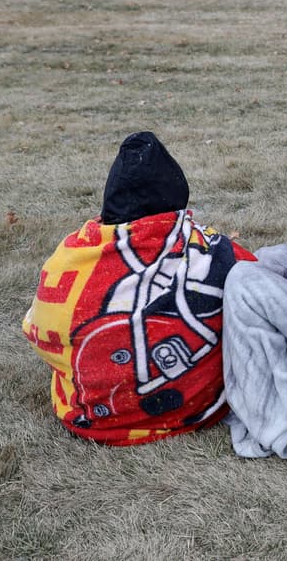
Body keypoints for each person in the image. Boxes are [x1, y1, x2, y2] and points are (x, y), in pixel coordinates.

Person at [24, 132, 258, 446]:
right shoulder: (208, 252)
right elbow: (257, 281)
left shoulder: (69, 256)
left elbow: (38, 328)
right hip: (186, 412)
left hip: (86, 419)